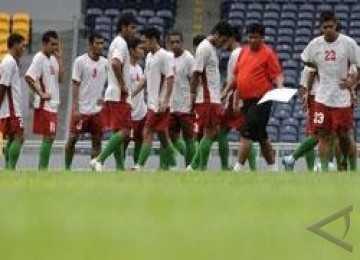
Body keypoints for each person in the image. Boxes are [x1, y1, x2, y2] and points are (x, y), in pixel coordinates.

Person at [301, 11, 360, 171]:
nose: (328, 30)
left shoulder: (348, 43)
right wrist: (320, 74)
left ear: (336, 25)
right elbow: (307, 62)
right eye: (325, 27)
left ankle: (348, 164)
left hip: (342, 98)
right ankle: (325, 169)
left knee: (344, 135)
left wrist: (352, 82)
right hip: (322, 97)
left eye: (331, 26)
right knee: (323, 135)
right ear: (321, 27)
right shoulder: (315, 45)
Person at [229, 23, 284, 172]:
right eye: (250, 37)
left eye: (256, 37)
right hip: (246, 100)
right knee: (261, 135)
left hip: (262, 100)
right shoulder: (243, 52)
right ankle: (273, 168)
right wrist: (228, 91)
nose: (252, 40)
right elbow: (237, 75)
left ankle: (237, 168)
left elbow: (277, 74)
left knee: (246, 131)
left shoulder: (268, 53)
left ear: (262, 37)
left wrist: (279, 87)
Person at [90, 12, 137, 171]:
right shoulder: (121, 43)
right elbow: (116, 64)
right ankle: (100, 160)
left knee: (119, 131)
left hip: (113, 92)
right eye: (132, 27)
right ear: (123, 27)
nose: (133, 31)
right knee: (125, 131)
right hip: (118, 93)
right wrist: (123, 84)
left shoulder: (116, 43)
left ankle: (120, 167)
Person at [187, 21, 233, 171]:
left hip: (213, 97)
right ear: (217, 34)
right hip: (207, 98)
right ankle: (198, 168)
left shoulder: (210, 48)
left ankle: (195, 166)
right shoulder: (204, 48)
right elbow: (196, 72)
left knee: (214, 132)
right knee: (210, 133)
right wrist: (192, 93)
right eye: (223, 40)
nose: (224, 45)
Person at [132, 27, 176, 170]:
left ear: (154, 40)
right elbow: (145, 79)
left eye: (145, 42)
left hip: (159, 104)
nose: (142, 45)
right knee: (163, 137)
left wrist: (165, 101)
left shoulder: (165, 56)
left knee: (147, 132)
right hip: (152, 104)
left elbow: (170, 78)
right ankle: (175, 165)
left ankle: (138, 166)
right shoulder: (150, 57)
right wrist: (131, 94)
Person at [64, 32, 107, 170]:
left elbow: (111, 82)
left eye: (102, 43)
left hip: (97, 111)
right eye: (98, 43)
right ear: (90, 45)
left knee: (97, 142)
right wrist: (75, 108)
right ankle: (67, 168)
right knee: (72, 140)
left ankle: (94, 170)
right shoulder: (80, 61)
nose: (101, 46)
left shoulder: (106, 63)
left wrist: (104, 97)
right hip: (82, 110)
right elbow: (75, 84)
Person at [25, 30, 64, 170]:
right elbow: (29, 77)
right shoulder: (39, 58)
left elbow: (61, 79)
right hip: (45, 105)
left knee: (50, 137)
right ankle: (42, 169)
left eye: (56, 44)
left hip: (53, 104)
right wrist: (41, 93)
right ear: (44, 44)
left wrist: (60, 59)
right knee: (49, 137)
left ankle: (42, 168)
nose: (55, 47)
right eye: (52, 44)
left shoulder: (53, 59)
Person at [220, 26, 257, 171]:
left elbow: (238, 78)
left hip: (236, 97)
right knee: (244, 133)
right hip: (240, 97)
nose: (223, 42)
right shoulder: (243, 52)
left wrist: (236, 100)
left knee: (222, 130)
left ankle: (224, 167)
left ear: (231, 37)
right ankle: (253, 168)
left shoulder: (237, 54)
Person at [168, 31, 196, 167]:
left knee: (188, 137)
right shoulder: (168, 58)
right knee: (171, 136)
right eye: (172, 42)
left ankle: (190, 167)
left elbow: (194, 80)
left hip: (186, 105)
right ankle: (193, 157)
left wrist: (192, 100)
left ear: (182, 42)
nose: (175, 45)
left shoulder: (189, 58)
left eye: (177, 42)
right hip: (171, 105)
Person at [0, 33, 26, 170]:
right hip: (11, 109)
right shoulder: (9, 62)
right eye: (22, 45)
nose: (24, 49)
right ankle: (10, 168)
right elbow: (3, 86)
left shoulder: (8, 61)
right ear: (15, 44)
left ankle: (8, 168)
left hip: (10, 108)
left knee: (11, 138)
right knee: (19, 137)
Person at [123, 36, 147, 166]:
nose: (142, 51)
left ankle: (137, 167)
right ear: (132, 50)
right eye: (139, 48)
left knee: (140, 141)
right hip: (130, 112)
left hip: (141, 112)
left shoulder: (139, 68)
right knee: (125, 141)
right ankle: (120, 167)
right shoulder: (125, 68)